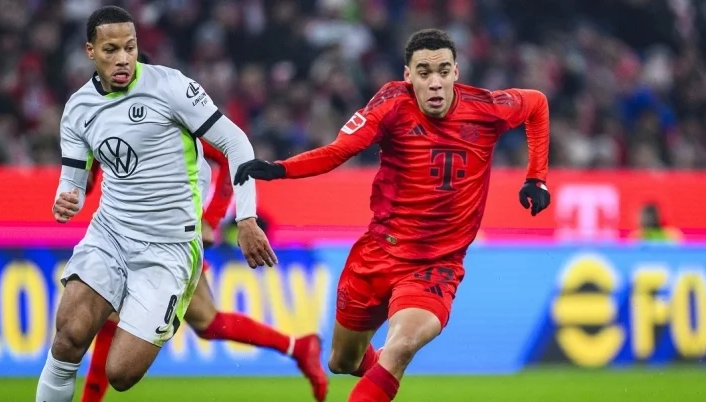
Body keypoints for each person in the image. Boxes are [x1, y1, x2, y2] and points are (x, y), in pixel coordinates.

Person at [234, 28, 551, 402]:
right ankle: (379, 377)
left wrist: (536, 178)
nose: (435, 82)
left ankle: (386, 372)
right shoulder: (390, 105)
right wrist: (280, 169)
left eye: (443, 71)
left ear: (456, 72)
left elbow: (537, 104)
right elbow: (339, 150)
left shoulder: (486, 108)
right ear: (408, 75)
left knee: (400, 347)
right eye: (424, 72)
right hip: (377, 255)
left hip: (436, 265)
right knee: (343, 361)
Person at [37, 6, 276, 402]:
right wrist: (68, 199)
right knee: (68, 337)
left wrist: (247, 219)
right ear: (90, 51)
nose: (123, 58)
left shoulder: (171, 87)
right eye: (111, 50)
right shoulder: (78, 108)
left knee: (121, 373)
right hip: (110, 234)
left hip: (170, 247)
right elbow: (74, 180)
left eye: (130, 47)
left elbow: (237, 143)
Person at [81, 144, 327, 402]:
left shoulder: (175, 120)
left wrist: (212, 218)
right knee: (209, 322)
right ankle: (298, 347)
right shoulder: (115, 121)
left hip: (169, 232)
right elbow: (102, 138)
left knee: (114, 312)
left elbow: (230, 154)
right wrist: (87, 171)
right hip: (144, 226)